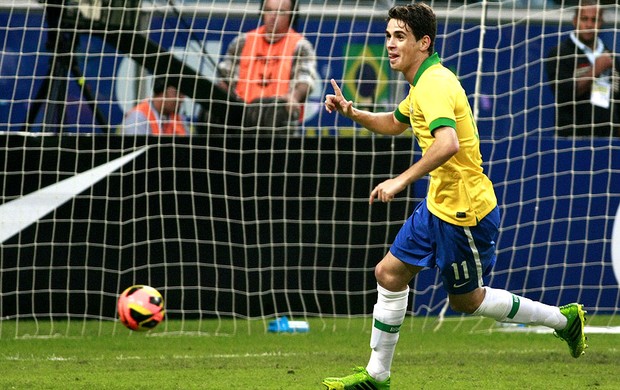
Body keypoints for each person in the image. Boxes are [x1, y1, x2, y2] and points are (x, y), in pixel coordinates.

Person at [322, 3, 588, 389]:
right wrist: (355, 113)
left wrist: (400, 180)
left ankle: (565, 321)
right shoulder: (422, 82)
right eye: (388, 36)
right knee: (389, 273)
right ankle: (377, 375)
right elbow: (397, 123)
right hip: (438, 203)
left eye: (400, 37)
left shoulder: (434, 84)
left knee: (466, 300)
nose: (391, 45)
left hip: (465, 211)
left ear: (423, 42)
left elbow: (446, 144)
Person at [216, 0, 318, 133]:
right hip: (240, 112)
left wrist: (293, 97)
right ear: (262, 12)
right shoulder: (243, 41)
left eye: (280, 12)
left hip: (277, 115)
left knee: (271, 112)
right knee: (213, 109)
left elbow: (305, 80)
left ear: (291, 16)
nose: (273, 16)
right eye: (269, 10)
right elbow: (225, 80)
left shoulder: (300, 46)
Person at [545, 0, 620, 137]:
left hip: (608, 142)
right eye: (584, 19)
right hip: (572, 140)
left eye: (594, 20)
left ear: (601, 23)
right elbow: (563, 95)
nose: (589, 25)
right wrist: (596, 70)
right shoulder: (560, 53)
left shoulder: (612, 58)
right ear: (575, 21)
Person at [121, 76, 189, 136]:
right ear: (162, 92)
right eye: (177, 93)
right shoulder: (138, 118)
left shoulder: (178, 118)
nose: (182, 98)